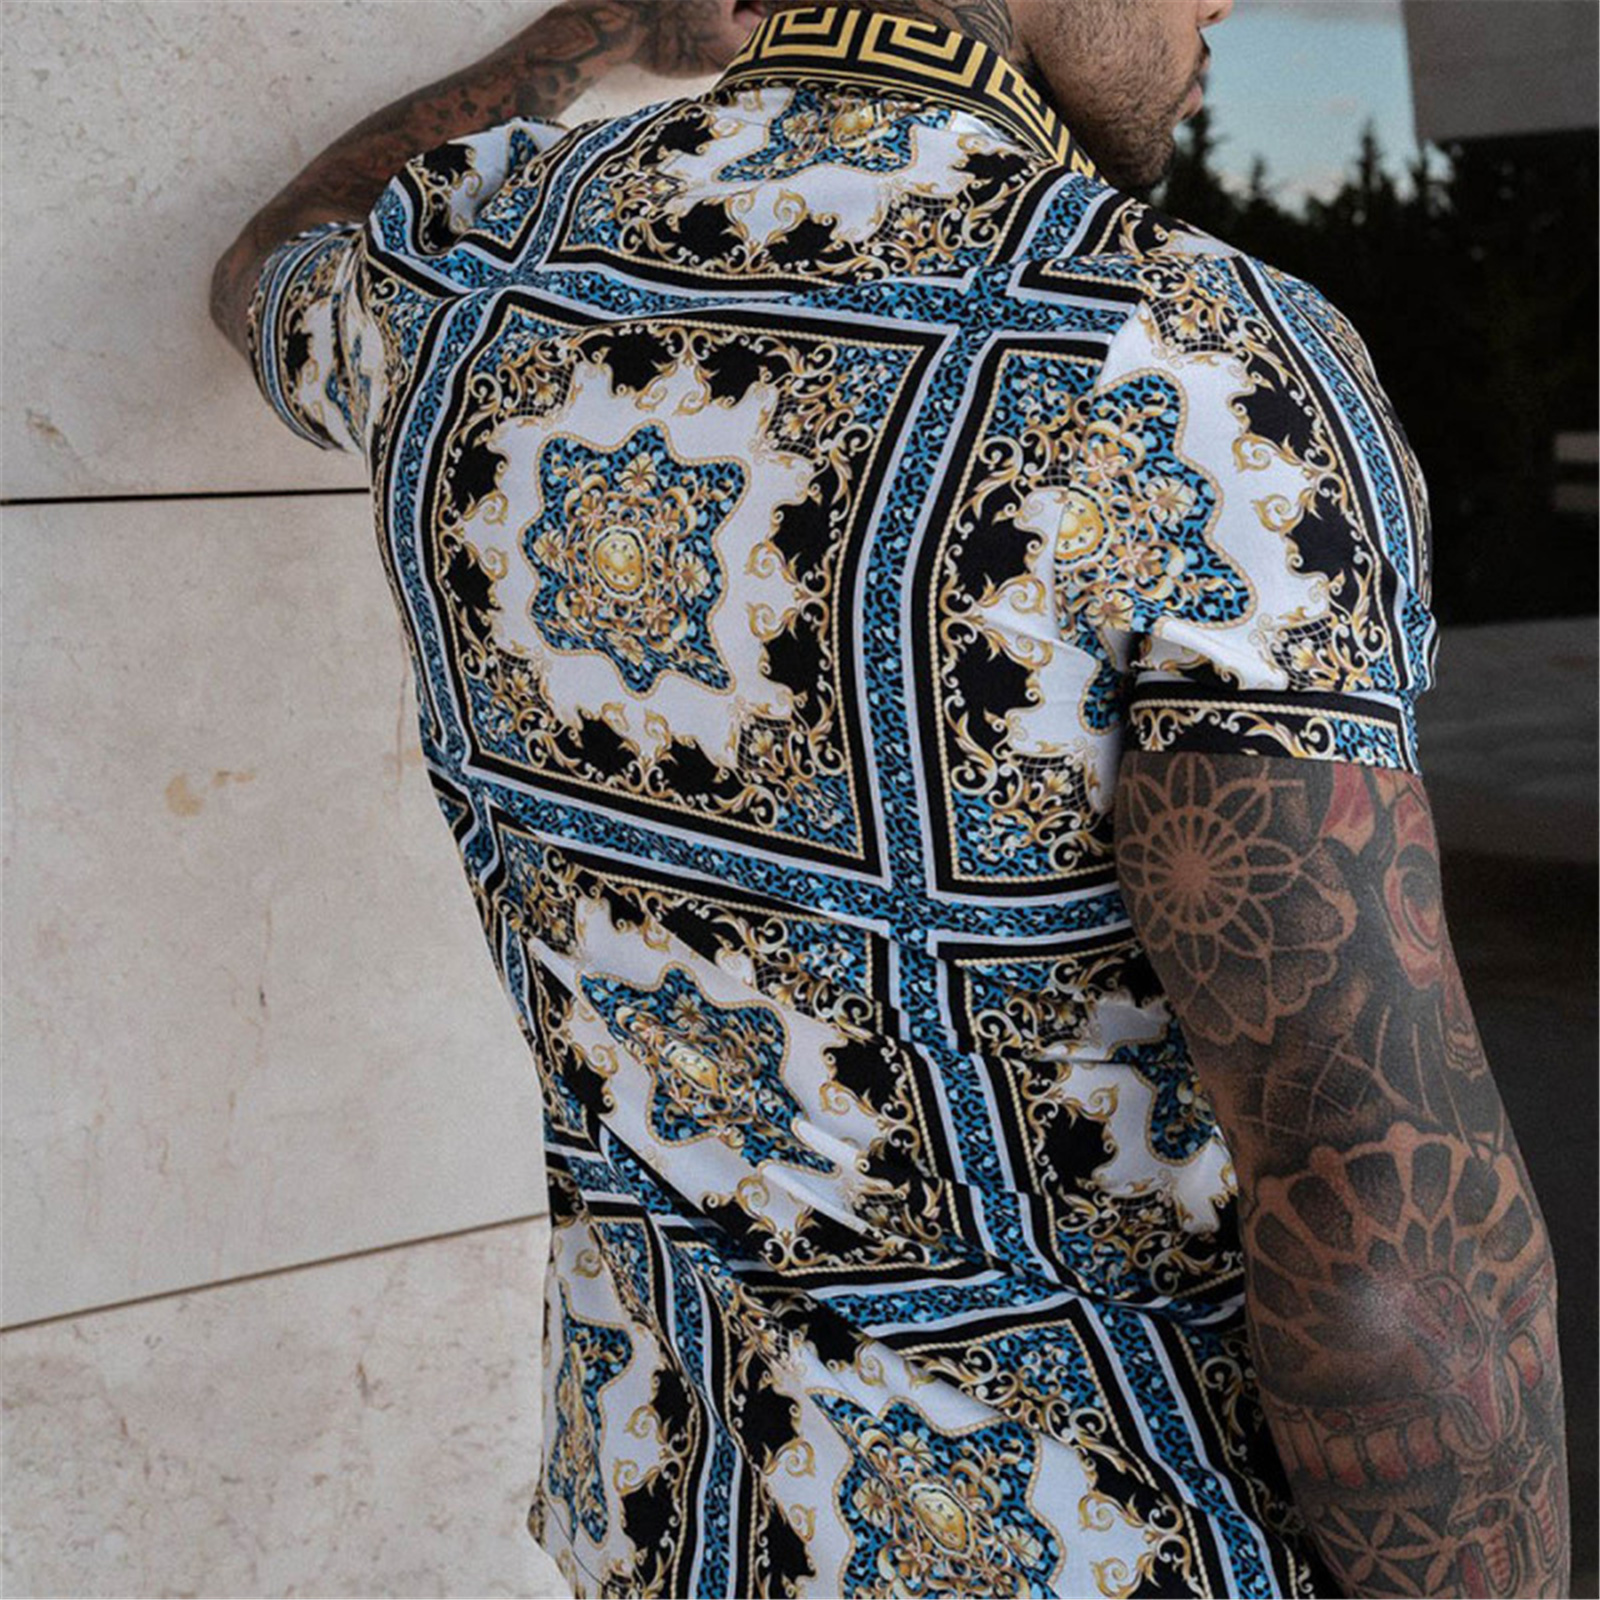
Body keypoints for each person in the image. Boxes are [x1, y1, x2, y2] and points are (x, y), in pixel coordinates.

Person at [210, 0, 1570, 1594]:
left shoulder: (463, 281)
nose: (1225, 4)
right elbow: (1390, 1241)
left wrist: (587, 37)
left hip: (675, 1525)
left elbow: (260, 270)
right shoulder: (1184, 358)